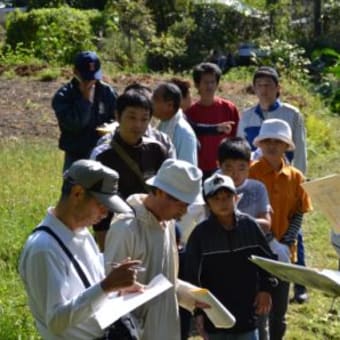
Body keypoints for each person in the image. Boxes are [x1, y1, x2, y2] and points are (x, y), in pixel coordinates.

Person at [18, 159, 142, 340]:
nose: (105, 214)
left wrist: (118, 289)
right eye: (101, 205)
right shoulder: (43, 249)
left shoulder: (82, 233)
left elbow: (89, 292)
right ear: (77, 194)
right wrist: (107, 286)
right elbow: (56, 322)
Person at [104, 159, 205, 340]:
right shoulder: (126, 228)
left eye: (187, 206)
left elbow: (166, 281)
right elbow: (111, 291)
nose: (184, 212)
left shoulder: (168, 223)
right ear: (160, 192)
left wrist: (191, 296)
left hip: (167, 330)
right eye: (181, 205)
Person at [237, 66, 309, 303]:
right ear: (254, 88)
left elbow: (299, 149)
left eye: (269, 85)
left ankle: (299, 282)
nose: (264, 89)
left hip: (285, 180)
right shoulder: (247, 116)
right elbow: (240, 147)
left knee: (292, 235)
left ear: (278, 88)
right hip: (257, 178)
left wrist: (299, 179)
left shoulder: (291, 113)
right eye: (259, 85)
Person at [184, 173, 275, 340]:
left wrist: (265, 289)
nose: (222, 202)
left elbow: (267, 262)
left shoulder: (250, 226)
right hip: (215, 316)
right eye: (216, 199)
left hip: (248, 312)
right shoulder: (200, 235)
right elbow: (192, 277)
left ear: (236, 198)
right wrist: (198, 312)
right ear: (208, 204)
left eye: (227, 197)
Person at [248, 118, 312, 340]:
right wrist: (268, 240)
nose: (272, 145)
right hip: (255, 250)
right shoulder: (250, 172)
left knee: (279, 313)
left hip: (284, 252)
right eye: (267, 141)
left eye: (278, 141)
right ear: (260, 144)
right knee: (257, 310)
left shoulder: (295, 177)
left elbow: (299, 212)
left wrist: (285, 242)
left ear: (287, 146)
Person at [92, 89, 169, 250]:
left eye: (144, 119)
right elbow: (97, 204)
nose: (138, 125)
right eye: (132, 117)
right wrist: (104, 248)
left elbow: (167, 194)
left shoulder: (157, 150)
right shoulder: (102, 156)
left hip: (153, 229)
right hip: (116, 232)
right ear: (118, 116)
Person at [52, 51, 118, 171]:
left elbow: (118, 118)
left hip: (103, 152)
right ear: (76, 72)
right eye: (86, 78)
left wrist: (110, 127)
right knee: (73, 188)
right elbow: (75, 124)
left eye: (93, 77)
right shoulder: (64, 96)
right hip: (76, 154)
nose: (91, 82)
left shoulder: (107, 92)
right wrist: (85, 101)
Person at [186, 62, 240, 179]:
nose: (209, 86)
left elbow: (237, 138)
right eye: (205, 82)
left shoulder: (229, 108)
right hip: (197, 169)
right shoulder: (190, 112)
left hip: (224, 168)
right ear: (197, 84)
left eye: (213, 82)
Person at [153, 82, 198, 165]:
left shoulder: (184, 133)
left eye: (155, 99)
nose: (151, 102)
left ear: (169, 105)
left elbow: (187, 171)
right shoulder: (162, 125)